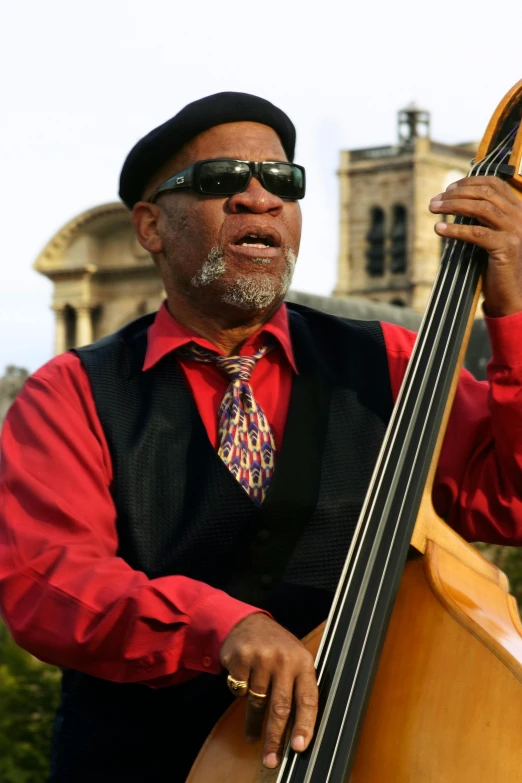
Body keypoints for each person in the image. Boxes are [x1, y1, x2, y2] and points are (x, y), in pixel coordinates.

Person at [1, 91, 522, 783]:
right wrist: (218, 626)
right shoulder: (69, 392)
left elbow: (509, 499)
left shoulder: (394, 362)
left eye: (283, 181)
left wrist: (515, 307)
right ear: (151, 225)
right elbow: (47, 581)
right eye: (221, 181)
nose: (260, 198)